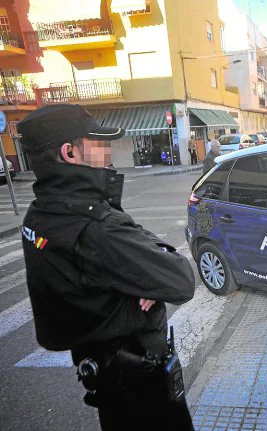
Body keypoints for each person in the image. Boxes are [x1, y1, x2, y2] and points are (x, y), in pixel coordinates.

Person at [17, 104, 196, 431]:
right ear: (70, 152)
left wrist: (135, 278)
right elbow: (180, 279)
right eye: (96, 141)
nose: (107, 148)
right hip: (139, 381)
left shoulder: (41, 214)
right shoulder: (96, 227)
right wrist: (145, 279)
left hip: (104, 372)